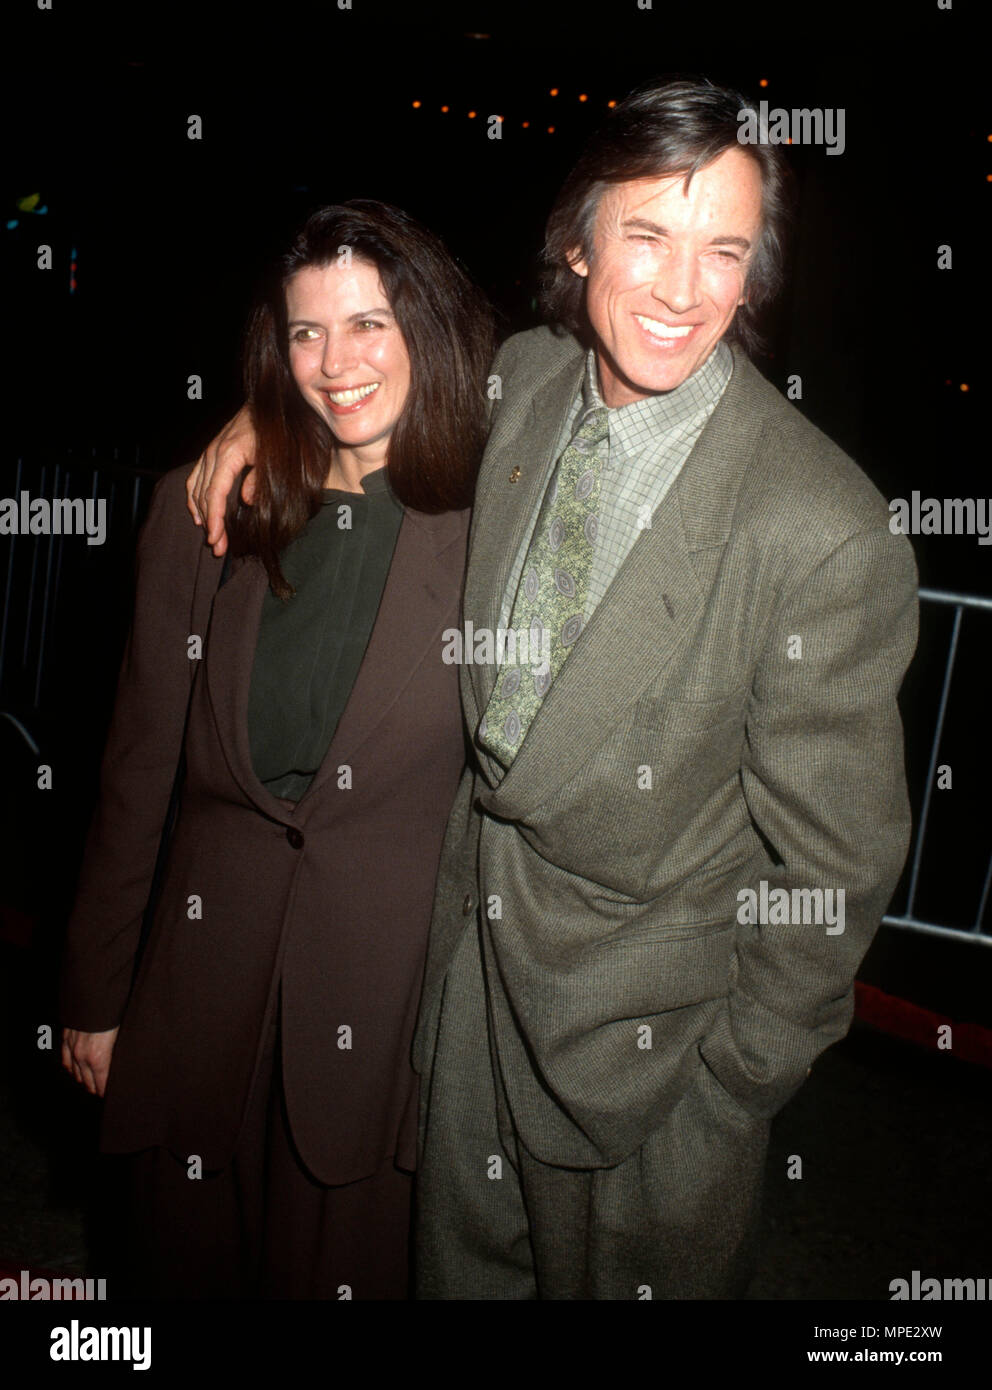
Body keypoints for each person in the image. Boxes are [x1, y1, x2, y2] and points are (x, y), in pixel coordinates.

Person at [187, 79, 919, 1300]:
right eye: (646, 236)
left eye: (721, 251)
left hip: (650, 1070)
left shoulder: (817, 527)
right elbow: (357, 392)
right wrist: (265, 428)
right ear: (578, 241)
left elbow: (829, 880)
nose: (681, 291)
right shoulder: (521, 379)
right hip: (464, 1002)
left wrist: (722, 1093)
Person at [60, 199, 494, 1299]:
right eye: (306, 332)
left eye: (370, 323)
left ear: (427, 332)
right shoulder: (206, 512)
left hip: (377, 1025)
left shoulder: (496, 531)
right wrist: (96, 993)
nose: (335, 361)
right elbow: (135, 774)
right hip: (195, 1002)